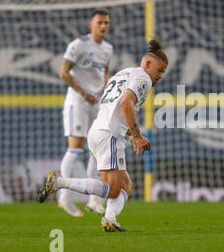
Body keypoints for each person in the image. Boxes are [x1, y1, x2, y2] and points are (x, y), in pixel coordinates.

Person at [38, 40, 168, 232]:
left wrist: (129, 134)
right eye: (160, 70)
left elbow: (116, 104)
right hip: (110, 135)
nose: (160, 76)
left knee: (126, 186)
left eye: (163, 72)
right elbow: (125, 103)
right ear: (147, 64)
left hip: (99, 130)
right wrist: (137, 135)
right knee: (113, 190)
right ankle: (58, 183)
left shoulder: (124, 73)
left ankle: (110, 219)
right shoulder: (144, 79)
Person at [58, 10, 113, 217]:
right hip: (77, 102)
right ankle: (64, 198)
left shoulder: (108, 49)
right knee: (76, 146)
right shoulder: (78, 45)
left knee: (97, 148)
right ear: (92, 24)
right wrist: (84, 93)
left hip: (96, 102)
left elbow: (104, 74)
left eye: (106, 23)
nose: (103, 26)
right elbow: (63, 72)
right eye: (100, 22)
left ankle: (94, 200)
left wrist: (107, 93)